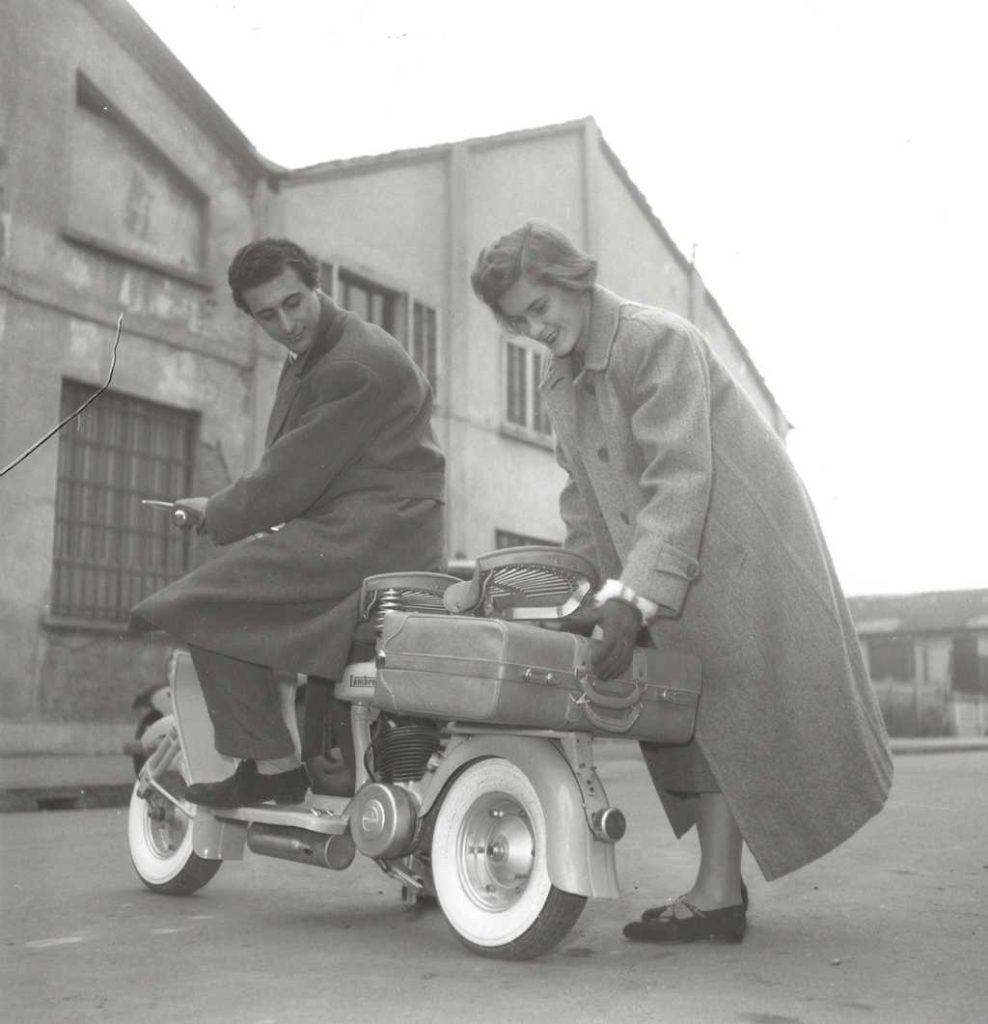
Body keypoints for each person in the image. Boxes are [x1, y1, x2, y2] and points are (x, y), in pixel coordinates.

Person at [470, 220, 892, 944]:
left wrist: (632, 598)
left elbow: (680, 475)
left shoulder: (652, 338)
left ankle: (716, 892)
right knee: (697, 717)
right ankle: (718, 893)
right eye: (518, 321)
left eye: (540, 309)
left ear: (573, 280)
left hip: (736, 552)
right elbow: (583, 496)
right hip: (666, 557)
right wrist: (585, 592)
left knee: (728, 713)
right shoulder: (560, 377)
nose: (535, 329)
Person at [131, 238, 445, 808]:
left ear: (316, 284)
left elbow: (293, 470)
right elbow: (300, 466)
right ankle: (278, 760)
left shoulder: (350, 363)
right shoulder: (326, 350)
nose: (286, 322)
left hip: (369, 536)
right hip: (368, 528)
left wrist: (220, 510)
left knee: (201, 603)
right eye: (266, 315)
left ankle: (272, 765)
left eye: (294, 302)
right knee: (230, 594)